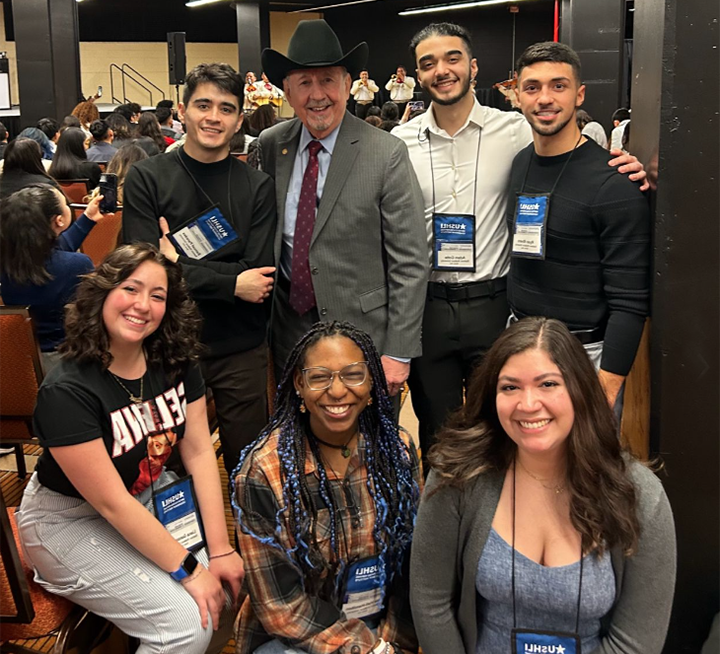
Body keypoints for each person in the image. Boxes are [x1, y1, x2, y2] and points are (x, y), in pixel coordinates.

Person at [391, 22, 647, 465]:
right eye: (428, 63)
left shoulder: (513, 131)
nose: (442, 70)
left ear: (473, 67)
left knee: (516, 438)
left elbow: (631, 296)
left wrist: (633, 168)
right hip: (433, 308)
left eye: (452, 58)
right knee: (443, 432)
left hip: (498, 310)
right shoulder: (399, 143)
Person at [15, 243, 244, 653]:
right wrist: (190, 569)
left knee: (223, 589)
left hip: (148, 493)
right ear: (103, 292)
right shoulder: (67, 390)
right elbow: (112, 504)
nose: (143, 305)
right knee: (186, 622)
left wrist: (222, 548)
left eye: (158, 296)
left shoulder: (175, 360)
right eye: (131, 289)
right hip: (69, 519)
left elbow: (198, 453)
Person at [410, 317, 676, 654]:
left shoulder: (640, 495)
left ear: (580, 389)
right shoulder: (458, 477)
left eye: (548, 384)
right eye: (510, 387)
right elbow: (430, 602)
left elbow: (636, 642)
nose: (528, 404)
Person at [122, 62, 276, 478]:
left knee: (250, 467)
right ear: (183, 110)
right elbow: (140, 271)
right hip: (165, 346)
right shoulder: (146, 178)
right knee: (164, 468)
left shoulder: (257, 186)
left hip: (239, 348)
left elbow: (258, 279)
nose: (213, 117)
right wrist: (230, 283)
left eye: (226, 109)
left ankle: (250, 544)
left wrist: (176, 265)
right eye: (203, 105)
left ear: (240, 120)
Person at [258, 19, 427, 397]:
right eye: (304, 83)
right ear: (287, 91)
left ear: (348, 85)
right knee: (295, 444)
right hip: (289, 333)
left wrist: (398, 350)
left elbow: (410, 261)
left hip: (363, 336)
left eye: (328, 80)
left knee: (364, 449)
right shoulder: (271, 146)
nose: (317, 95)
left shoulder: (386, 153)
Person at [233, 321, 421, 654]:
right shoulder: (264, 472)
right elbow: (281, 608)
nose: (337, 391)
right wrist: (369, 650)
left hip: (379, 625)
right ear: (299, 384)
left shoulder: (399, 453)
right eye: (320, 377)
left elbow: (410, 570)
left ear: (372, 383)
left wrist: (393, 644)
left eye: (352, 374)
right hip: (298, 636)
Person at [507, 42, 650, 410]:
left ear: (579, 94)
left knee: (585, 467)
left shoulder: (615, 184)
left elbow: (630, 302)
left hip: (583, 357)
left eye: (559, 85)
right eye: (532, 87)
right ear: (517, 94)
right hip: (520, 341)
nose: (545, 98)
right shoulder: (520, 163)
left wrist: (607, 387)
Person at [0, 185, 104, 370]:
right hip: (69, 359)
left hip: (20, 361)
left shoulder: (9, 262)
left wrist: (87, 218)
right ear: (59, 220)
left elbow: (56, 252)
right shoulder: (77, 265)